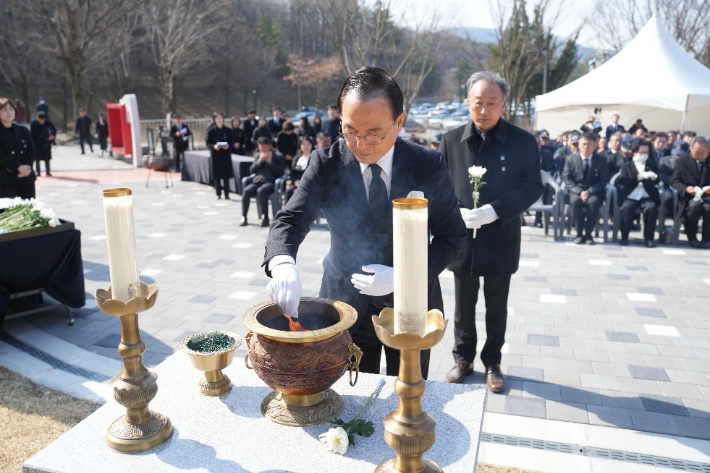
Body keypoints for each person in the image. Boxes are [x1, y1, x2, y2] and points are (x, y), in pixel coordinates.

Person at [263, 67, 466, 379]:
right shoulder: (326, 164)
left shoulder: (428, 164)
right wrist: (283, 264)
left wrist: (405, 275)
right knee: (351, 398)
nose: (360, 144)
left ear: (400, 122)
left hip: (410, 304)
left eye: (375, 133)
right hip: (346, 303)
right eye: (350, 130)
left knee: (408, 394)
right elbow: (289, 219)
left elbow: (453, 236)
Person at [440, 70, 542, 392]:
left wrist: (495, 210)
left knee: (496, 304)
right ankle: (462, 359)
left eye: (491, 103)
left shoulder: (523, 141)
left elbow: (532, 186)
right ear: (468, 102)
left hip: (501, 235)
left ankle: (493, 361)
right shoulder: (451, 140)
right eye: (478, 102)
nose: (483, 110)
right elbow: (439, 185)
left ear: (504, 104)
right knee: (463, 303)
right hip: (462, 237)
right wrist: (454, 211)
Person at [562, 132, 609, 245]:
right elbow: (567, 178)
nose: (586, 147)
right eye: (583, 144)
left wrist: (589, 192)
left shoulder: (602, 160)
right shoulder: (570, 159)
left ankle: (588, 234)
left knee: (594, 202)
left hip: (594, 192)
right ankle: (579, 234)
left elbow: (603, 180)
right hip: (576, 191)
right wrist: (580, 192)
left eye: (589, 144)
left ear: (595, 146)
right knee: (575, 201)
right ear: (578, 145)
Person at [615, 139, 660, 247]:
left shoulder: (651, 165)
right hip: (631, 195)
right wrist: (638, 177)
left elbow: (658, 180)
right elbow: (622, 181)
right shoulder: (626, 165)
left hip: (646, 195)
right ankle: (624, 237)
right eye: (641, 152)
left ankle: (649, 238)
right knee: (626, 208)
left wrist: (654, 178)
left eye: (646, 152)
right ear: (634, 152)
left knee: (651, 208)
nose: (644, 155)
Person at [671, 136, 710, 248]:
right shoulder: (682, 162)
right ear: (691, 149)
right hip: (690, 196)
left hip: (708, 195)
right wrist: (686, 188)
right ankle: (692, 237)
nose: (700, 155)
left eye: (704, 152)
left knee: (708, 208)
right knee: (694, 207)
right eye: (697, 152)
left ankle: (707, 239)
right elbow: (675, 181)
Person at [241, 136, 285, 227]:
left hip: (270, 182)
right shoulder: (258, 155)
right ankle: (244, 216)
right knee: (246, 191)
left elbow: (280, 172)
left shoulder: (278, 156)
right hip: (257, 181)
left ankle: (265, 218)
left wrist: (270, 161)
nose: (263, 151)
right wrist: (260, 161)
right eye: (261, 149)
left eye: (265, 148)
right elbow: (252, 170)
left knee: (261, 191)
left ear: (270, 146)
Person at [0, 98, 36, 198]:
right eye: (4, 110)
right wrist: (18, 167)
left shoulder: (23, 130)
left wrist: (27, 168)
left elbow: (31, 150)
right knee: (9, 212)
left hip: (26, 177)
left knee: (28, 211)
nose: (9, 112)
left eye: (11, 109)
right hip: (6, 179)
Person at [205, 112, 234, 200]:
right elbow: (208, 143)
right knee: (217, 175)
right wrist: (214, 146)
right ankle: (218, 193)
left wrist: (228, 146)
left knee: (226, 175)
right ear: (214, 120)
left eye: (221, 118)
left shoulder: (228, 130)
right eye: (217, 118)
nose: (219, 120)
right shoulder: (210, 131)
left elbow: (232, 141)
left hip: (225, 155)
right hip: (216, 155)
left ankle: (227, 193)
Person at [659, 140, 690, 217]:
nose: (678, 156)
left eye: (681, 154)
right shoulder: (665, 160)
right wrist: (675, 182)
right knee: (668, 198)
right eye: (677, 154)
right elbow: (662, 174)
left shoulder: (690, 161)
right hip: (669, 186)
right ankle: (676, 218)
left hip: (685, 187)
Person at [534, 132, 555, 228]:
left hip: (542, 181)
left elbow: (550, 169)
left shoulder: (546, 154)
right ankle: (521, 219)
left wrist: (545, 179)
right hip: (526, 182)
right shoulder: (523, 155)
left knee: (546, 189)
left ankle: (539, 218)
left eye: (538, 144)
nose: (536, 146)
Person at [285, 136, 315, 202]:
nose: (306, 146)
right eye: (303, 144)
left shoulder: (314, 159)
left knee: (297, 192)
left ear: (312, 145)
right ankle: (287, 211)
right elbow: (292, 172)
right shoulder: (296, 158)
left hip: (308, 184)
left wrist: (302, 183)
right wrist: (295, 181)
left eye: (308, 144)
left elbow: (313, 174)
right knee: (288, 191)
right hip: (296, 183)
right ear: (300, 146)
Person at [30, 111, 56, 176]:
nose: (41, 121)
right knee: (37, 158)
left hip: (46, 143)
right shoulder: (33, 123)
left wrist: (52, 136)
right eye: (40, 119)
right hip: (36, 143)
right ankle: (38, 172)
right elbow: (30, 134)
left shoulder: (48, 122)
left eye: (43, 119)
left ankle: (48, 171)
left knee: (47, 158)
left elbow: (54, 130)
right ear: (37, 118)